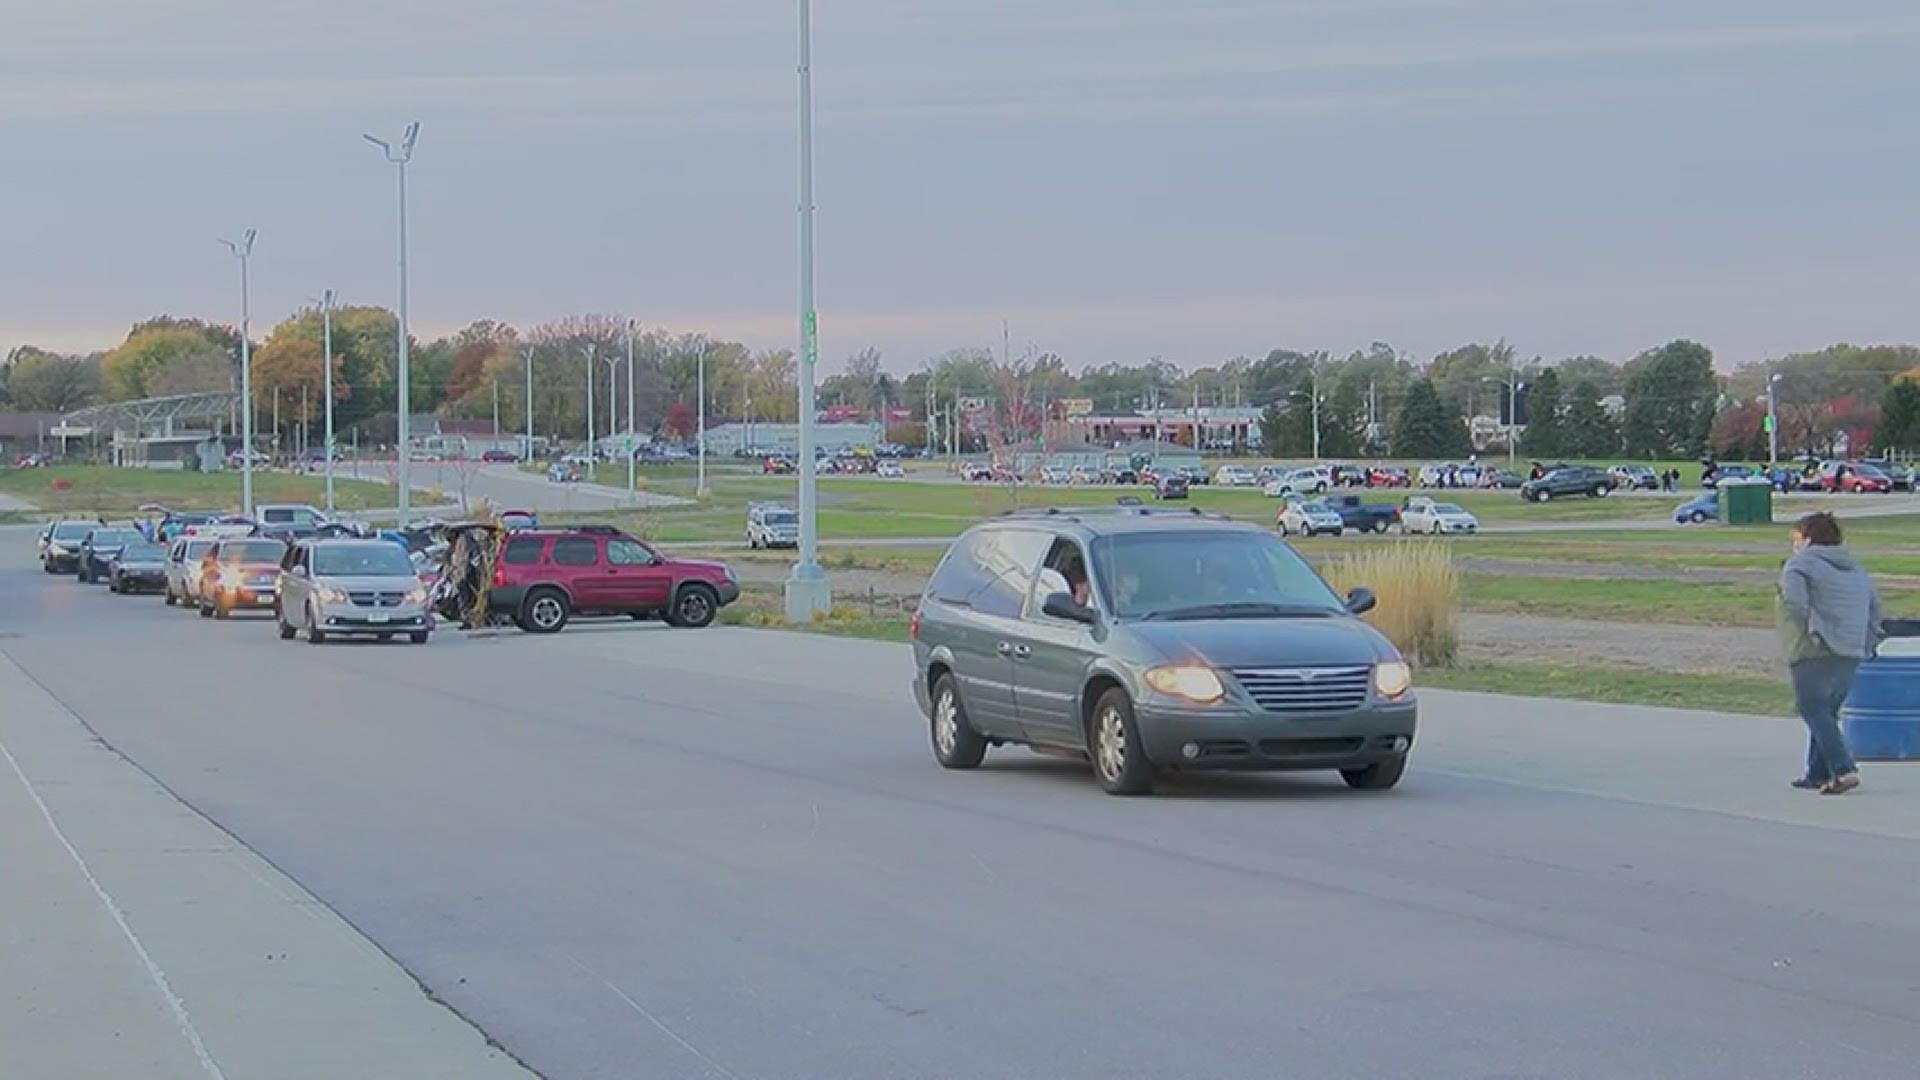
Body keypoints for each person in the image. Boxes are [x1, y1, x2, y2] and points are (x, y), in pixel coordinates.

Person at [1779, 512, 1883, 794]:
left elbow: (1795, 603)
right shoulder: (1856, 568)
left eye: (1797, 536)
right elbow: (1875, 608)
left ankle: (1843, 769)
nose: (1795, 542)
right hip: (1851, 647)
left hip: (1813, 647)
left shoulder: (1799, 565)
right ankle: (1816, 772)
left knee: (1811, 707)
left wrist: (1813, 629)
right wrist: (1868, 641)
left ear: (1809, 537)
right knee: (1827, 710)